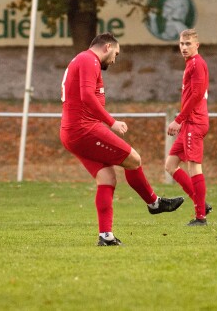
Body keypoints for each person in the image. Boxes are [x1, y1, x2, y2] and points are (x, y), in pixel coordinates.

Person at [60, 32, 185, 246]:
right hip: (84, 129)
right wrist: (111, 122)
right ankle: (154, 203)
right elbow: (87, 96)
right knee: (134, 159)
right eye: (116, 54)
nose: (115, 59)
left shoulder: (81, 59)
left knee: (107, 179)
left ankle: (105, 236)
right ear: (107, 47)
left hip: (71, 132)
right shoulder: (90, 60)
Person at [164, 29, 212, 227]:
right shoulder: (190, 64)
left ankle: (201, 217)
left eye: (188, 44)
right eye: (182, 44)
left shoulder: (198, 64)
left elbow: (197, 95)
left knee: (194, 167)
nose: (184, 47)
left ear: (197, 45)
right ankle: (201, 203)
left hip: (194, 122)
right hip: (188, 123)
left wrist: (179, 119)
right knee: (170, 165)